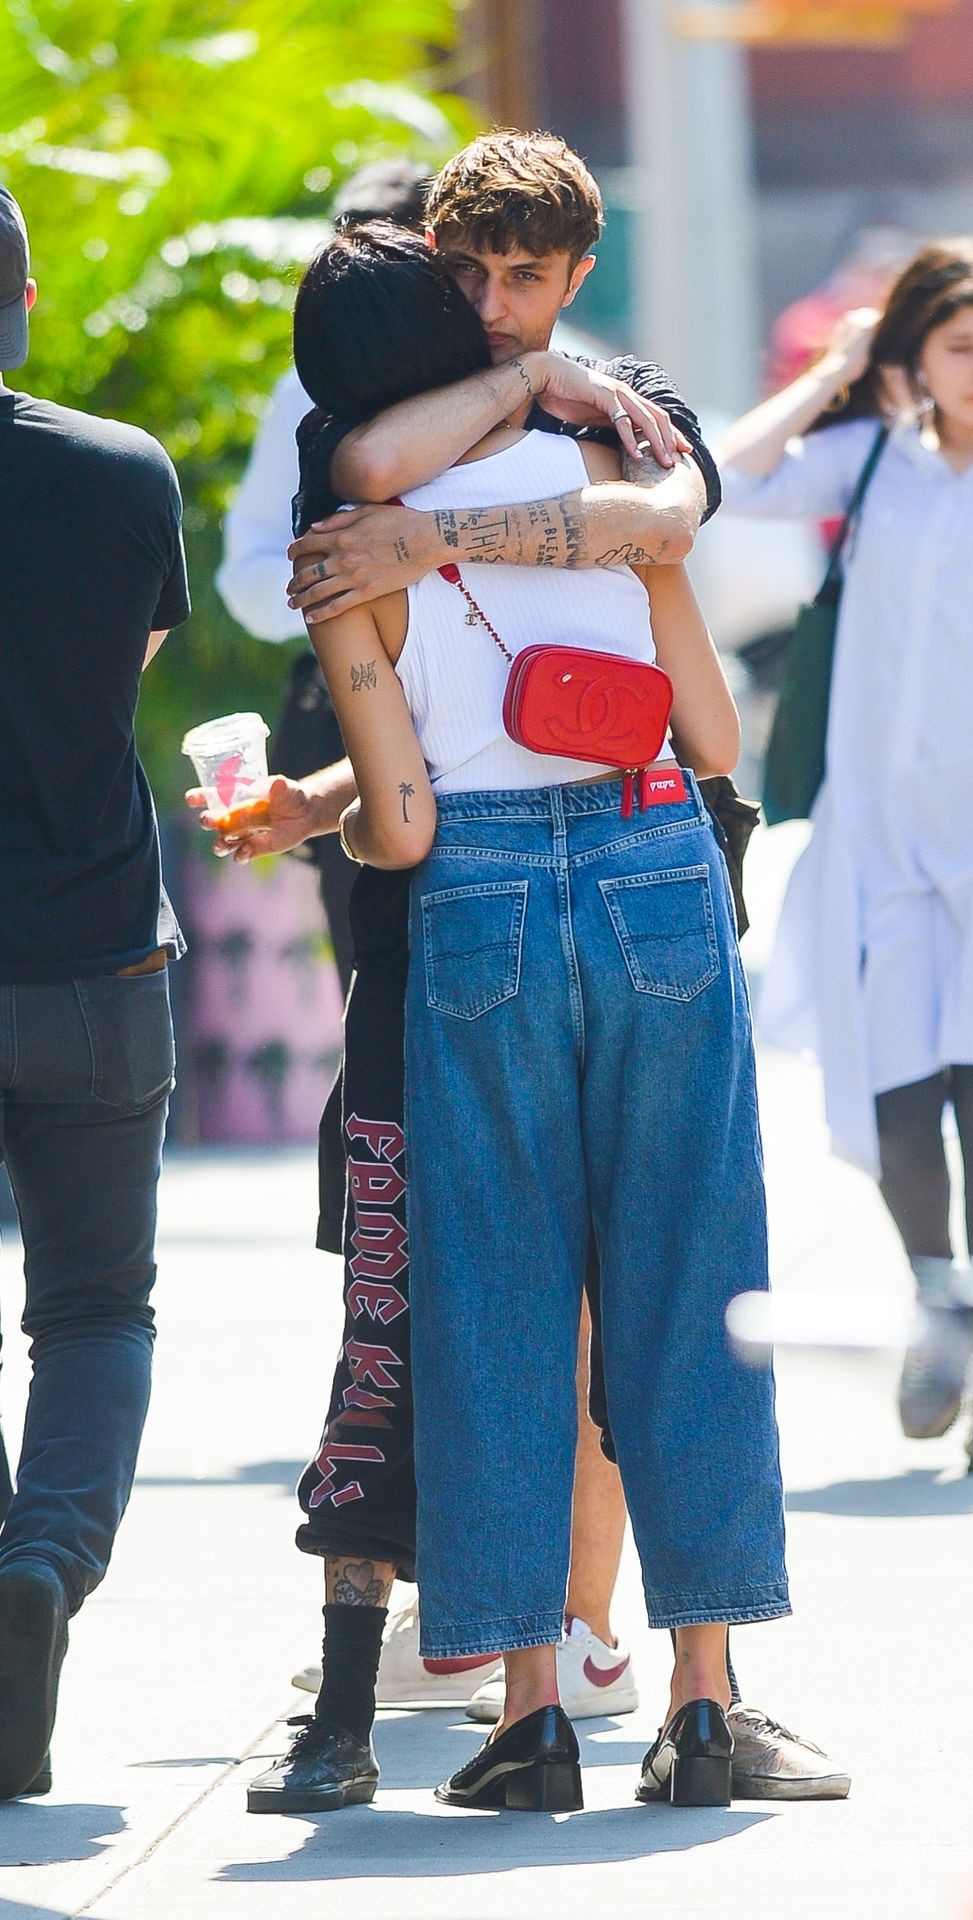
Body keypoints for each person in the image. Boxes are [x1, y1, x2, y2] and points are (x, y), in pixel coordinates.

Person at [236, 134, 847, 1814]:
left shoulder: (352, 512)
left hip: (479, 903)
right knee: (694, 1291)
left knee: (495, 1304)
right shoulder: (613, 457)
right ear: (451, 285)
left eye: (518, 276)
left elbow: (406, 825)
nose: (499, 304)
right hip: (656, 863)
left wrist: (354, 787)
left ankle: (529, 1722)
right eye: (475, 275)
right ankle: (704, 1703)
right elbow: (707, 717)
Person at [718, 235, 973, 1472]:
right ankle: (934, 1302)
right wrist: (835, 372)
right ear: (912, 353)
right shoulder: (866, 457)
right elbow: (720, 479)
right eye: (957, 347)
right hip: (878, 837)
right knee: (897, 1101)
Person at [0, 184, 189, 1798]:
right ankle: (43, 1566)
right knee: (94, 1310)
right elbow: (119, 668)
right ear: (25, 300)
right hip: (94, 959)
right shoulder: (123, 472)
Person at [216, 158, 432, 994]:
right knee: (375, 985)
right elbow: (246, 575)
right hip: (348, 724)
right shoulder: (301, 391)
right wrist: (349, 590)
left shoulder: (519, 381)